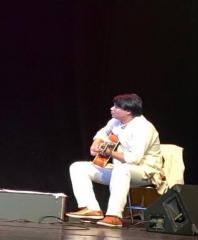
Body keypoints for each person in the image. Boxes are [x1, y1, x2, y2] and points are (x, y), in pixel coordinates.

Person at [67, 93, 163, 228]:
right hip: (121, 170)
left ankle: (114, 215)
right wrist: (97, 142)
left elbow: (134, 159)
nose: (112, 108)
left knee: (121, 170)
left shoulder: (144, 128)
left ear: (128, 111)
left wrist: (110, 153)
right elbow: (102, 132)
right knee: (78, 167)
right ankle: (91, 208)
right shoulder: (116, 122)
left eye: (117, 107)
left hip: (145, 172)